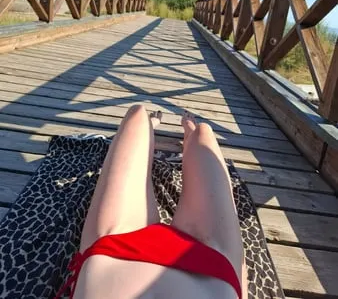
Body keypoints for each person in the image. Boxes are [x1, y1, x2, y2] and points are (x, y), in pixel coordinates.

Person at [55, 106, 247, 298]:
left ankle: (156, 130)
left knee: (137, 116)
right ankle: (187, 132)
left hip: (114, 247)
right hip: (213, 268)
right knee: (203, 133)